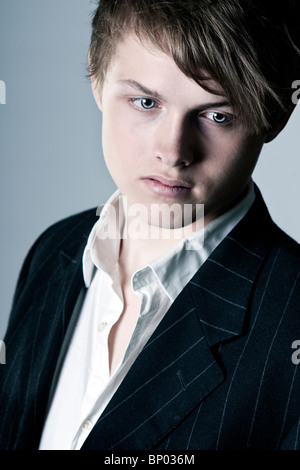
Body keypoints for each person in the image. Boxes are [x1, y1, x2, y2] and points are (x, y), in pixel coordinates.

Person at [0, 0, 299, 451]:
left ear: (274, 115)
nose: (173, 150)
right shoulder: (55, 250)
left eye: (218, 115)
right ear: (97, 78)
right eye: (145, 102)